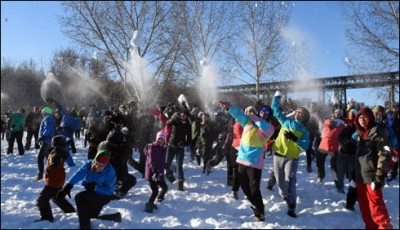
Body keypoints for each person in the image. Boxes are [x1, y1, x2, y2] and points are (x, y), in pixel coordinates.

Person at [220, 101, 275, 222]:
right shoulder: (249, 121)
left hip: (254, 163)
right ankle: (257, 206)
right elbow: (239, 115)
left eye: (266, 112)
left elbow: (263, 125)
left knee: (254, 188)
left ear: (269, 115)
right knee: (245, 188)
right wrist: (230, 107)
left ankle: (260, 212)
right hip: (242, 160)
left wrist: (253, 116)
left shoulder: (269, 127)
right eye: (262, 111)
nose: (263, 113)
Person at [56, 149, 121, 229]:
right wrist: (68, 186)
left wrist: (96, 187)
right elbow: (78, 174)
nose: (98, 167)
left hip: (104, 196)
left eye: (101, 166)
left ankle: (84, 227)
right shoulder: (89, 165)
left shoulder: (110, 172)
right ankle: (114, 217)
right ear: (94, 160)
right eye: (97, 164)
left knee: (79, 197)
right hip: (92, 193)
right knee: (91, 216)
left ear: (106, 165)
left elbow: (110, 191)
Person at [270, 91, 310, 218]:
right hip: (278, 155)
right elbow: (275, 111)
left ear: (304, 116)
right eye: (296, 111)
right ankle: (285, 196)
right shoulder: (286, 121)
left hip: (292, 158)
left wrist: (295, 139)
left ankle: (291, 207)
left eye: (300, 112)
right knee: (280, 182)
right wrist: (276, 97)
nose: (297, 113)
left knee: (290, 181)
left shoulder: (304, 130)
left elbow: (306, 146)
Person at [353, 107, 393, 229]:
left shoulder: (379, 131)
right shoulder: (359, 135)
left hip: (372, 177)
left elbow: (384, 154)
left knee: (377, 209)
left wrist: (379, 177)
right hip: (360, 178)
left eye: (364, 117)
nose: (362, 120)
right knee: (365, 209)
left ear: (370, 118)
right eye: (359, 117)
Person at [35, 135, 75, 222]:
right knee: (57, 197)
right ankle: (71, 211)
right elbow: (60, 154)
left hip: (53, 180)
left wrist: (53, 164)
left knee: (42, 201)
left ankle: (47, 218)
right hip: (58, 179)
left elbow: (56, 157)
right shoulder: (60, 150)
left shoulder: (56, 151)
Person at [316, 109, 346, 192]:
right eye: (336, 112)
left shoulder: (342, 123)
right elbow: (322, 126)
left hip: (333, 148)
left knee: (335, 168)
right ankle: (320, 177)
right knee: (319, 162)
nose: (337, 114)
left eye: (339, 113)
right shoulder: (327, 120)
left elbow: (342, 132)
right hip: (323, 145)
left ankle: (339, 185)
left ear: (341, 115)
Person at [164, 109, 192, 191]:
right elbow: (167, 123)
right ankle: (169, 176)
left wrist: (184, 143)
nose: (182, 116)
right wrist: (173, 119)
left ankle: (180, 184)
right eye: (181, 114)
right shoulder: (176, 121)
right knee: (166, 163)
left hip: (180, 148)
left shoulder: (188, 125)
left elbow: (189, 139)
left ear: (187, 117)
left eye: (184, 115)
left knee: (179, 165)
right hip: (171, 145)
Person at [143, 131, 169, 213]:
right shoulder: (152, 148)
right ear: (156, 139)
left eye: (162, 139)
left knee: (165, 187)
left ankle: (159, 198)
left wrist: (168, 167)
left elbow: (161, 162)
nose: (161, 141)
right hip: (152, 173)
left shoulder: (162, 149)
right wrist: (155, 172)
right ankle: (149, 205)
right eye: (159, 139)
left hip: (159, 173)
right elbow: (151, 161)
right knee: (155, 191)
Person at [36, 107, 56, 181]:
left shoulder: (48, 118)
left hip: (47, 141)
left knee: (40, 158)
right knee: (48, 158)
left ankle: (40, 174)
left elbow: (49, 128)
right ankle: (50, 173)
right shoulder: (49, 117)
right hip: (48, 141)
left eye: (42, 112)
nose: (41, 113)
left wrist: (43, 136)